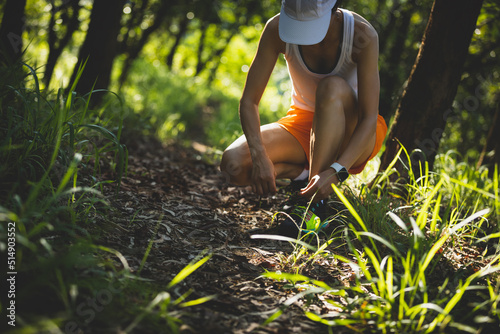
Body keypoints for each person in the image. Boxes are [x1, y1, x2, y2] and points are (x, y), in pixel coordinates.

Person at [220, 0, 387, 235]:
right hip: (302, 125)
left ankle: (310, 207)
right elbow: (249, 101)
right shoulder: (276, 29)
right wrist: (259, 156)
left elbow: (369, 118)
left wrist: (337, 171)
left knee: (330, 88)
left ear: (333, 10)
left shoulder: (362, 34)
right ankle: (304, 177)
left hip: (356, 130)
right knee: (233, 164)